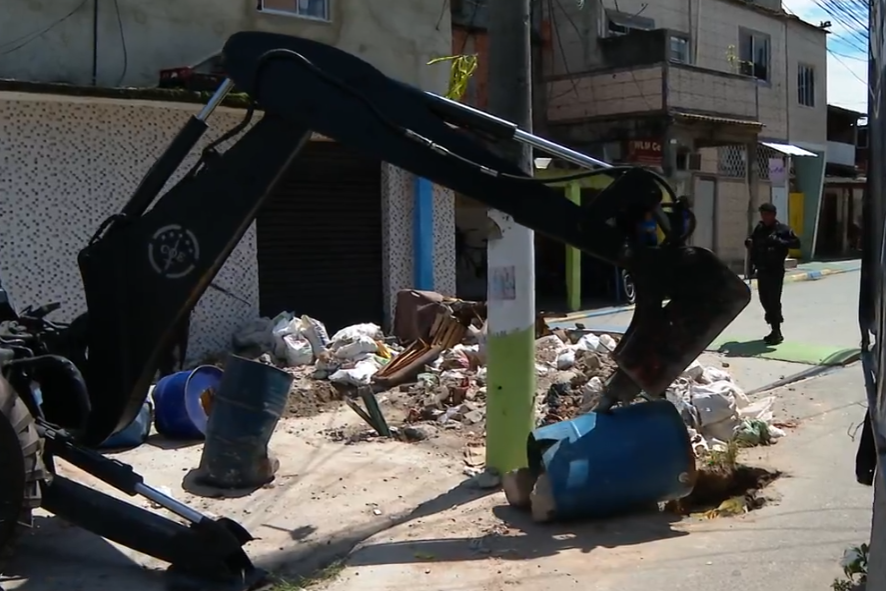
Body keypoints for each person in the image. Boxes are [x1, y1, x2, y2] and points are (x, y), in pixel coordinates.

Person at [744, 203, 801, 345]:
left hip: (775, 270)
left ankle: (777, 330)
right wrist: (749, 243)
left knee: (773, 300)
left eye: (767, 214)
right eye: (762, 214)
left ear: (773, 215)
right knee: (764, 300)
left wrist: (778, 241)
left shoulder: (782, 229)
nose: (764, 217)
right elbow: (753, 243)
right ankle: (773, 326)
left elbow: (796, 243)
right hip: (762, 269)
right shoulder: (760, 229)